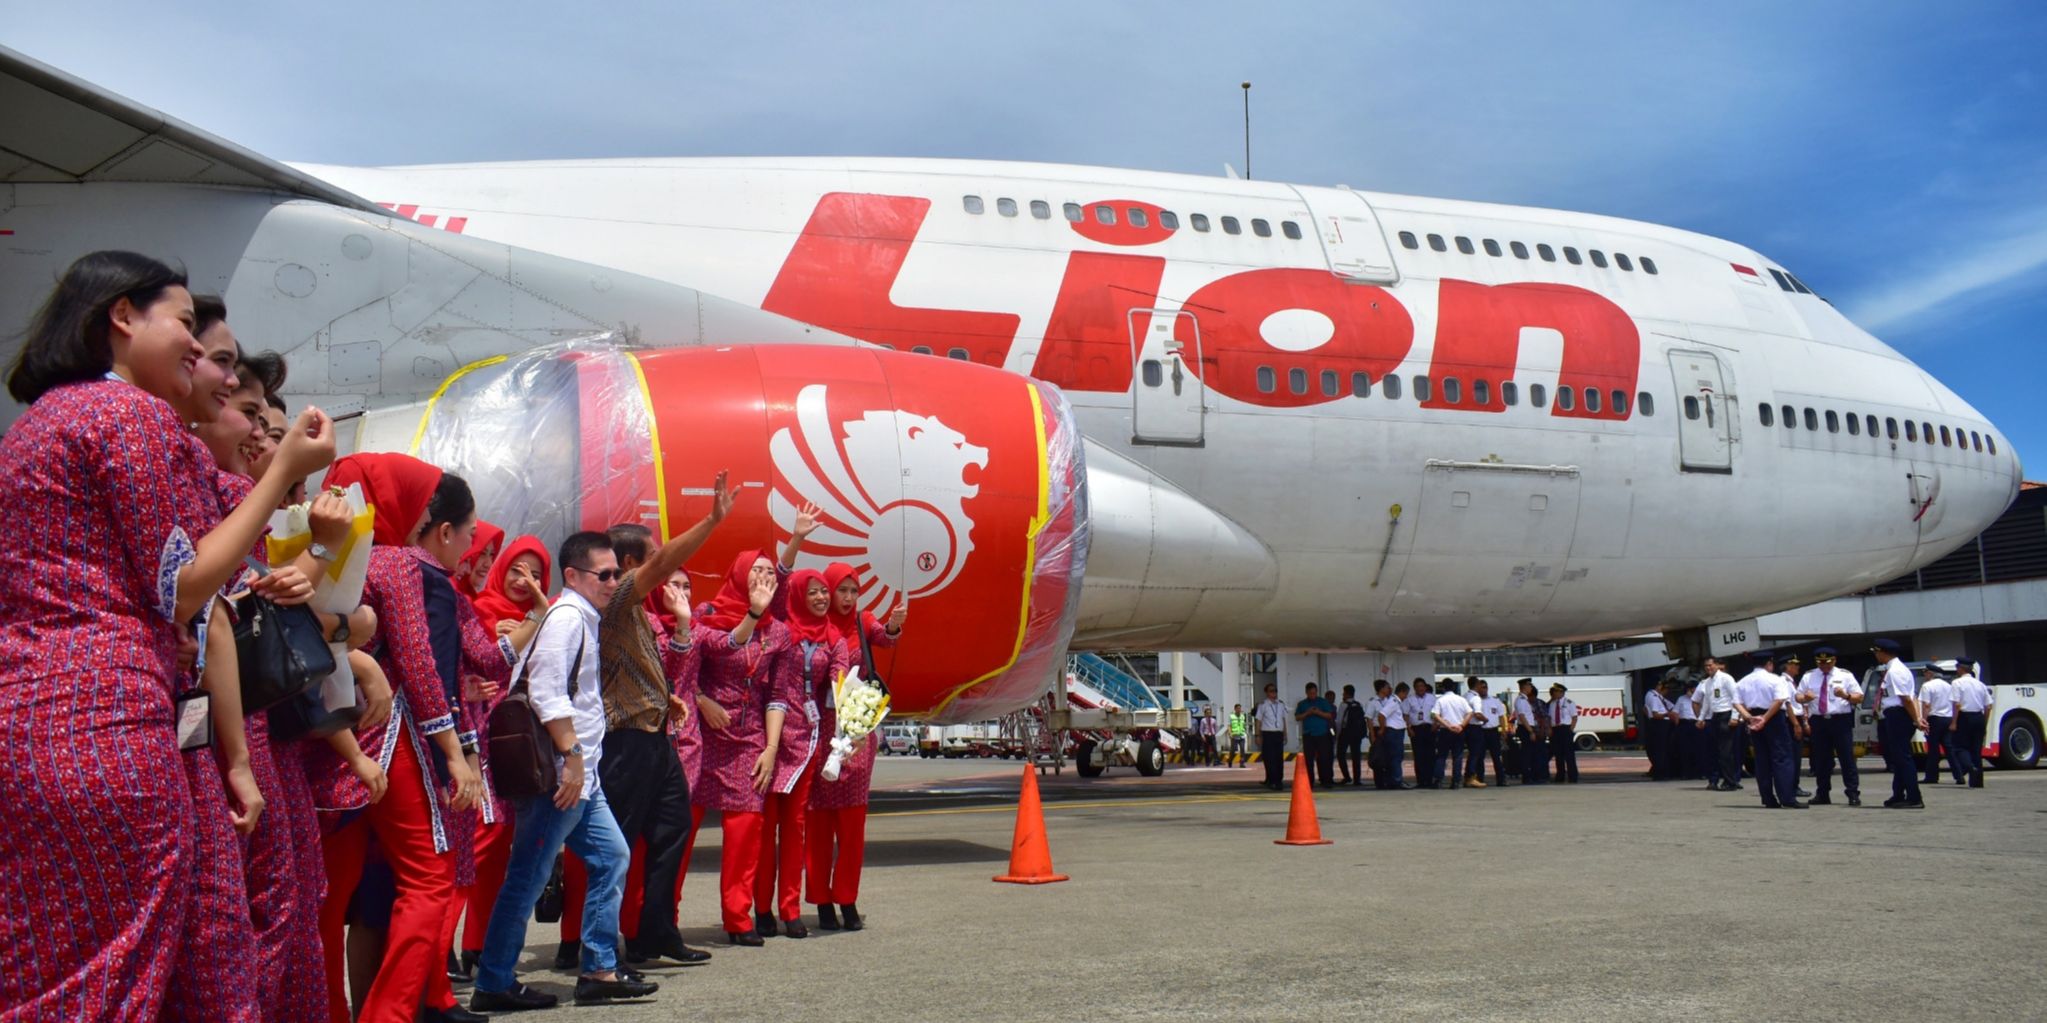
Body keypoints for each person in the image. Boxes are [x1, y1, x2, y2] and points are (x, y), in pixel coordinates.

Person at [0, 251, 335, 1019]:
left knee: (51, 966)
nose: (201, 354)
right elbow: (183, 588)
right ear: (122, 316)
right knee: (113, 974)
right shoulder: (125, 413)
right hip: (106, 720)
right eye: (187, 326)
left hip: (37, 714)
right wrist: (284, 468)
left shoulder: (43, 420)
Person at [312, 454, 489, 1023]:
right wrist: (454, 754)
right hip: (386, 740)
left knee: (326, 900)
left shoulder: (312, 556)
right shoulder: (399, 565)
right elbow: (419, 662)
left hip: (318, 742)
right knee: (430, 881)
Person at [470, 531, 657, 1011]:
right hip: (559, 778)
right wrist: (572, 758)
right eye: (606, 574)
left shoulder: (583, 617)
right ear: (573, 576)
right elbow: (546, 693)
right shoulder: (568, 618)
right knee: (527, 878)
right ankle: (493, 982)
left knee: (612, 857)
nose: (615, 581)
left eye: (619, 573)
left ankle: (598, 968)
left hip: (581, 777)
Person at [588, 501, 732, 964]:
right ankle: (606, 950)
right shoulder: (618, 598)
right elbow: (668, 559)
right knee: (620, 845)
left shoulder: (640, 614)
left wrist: (664, 697)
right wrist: (711, 522)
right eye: (651, 557)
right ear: (632, 564)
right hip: (626, 742)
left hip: (656, 735)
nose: (663, 564)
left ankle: (658, 932)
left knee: (673, 830)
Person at [694, 550, 801, 944]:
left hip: (749, 737)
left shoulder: (780, 634)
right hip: (702, 735)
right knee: (677, 832)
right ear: (738, 574)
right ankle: (661, 921)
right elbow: (687, 669)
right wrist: (703, 701)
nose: (762, 576)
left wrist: (771, 748)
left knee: (744, 834)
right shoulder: (707, 613)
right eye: (755, 569)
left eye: (769, 572)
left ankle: (738, 920)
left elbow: (777, 695)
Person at [808, 560, 905, 932]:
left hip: (859, 729)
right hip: (821, 730)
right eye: (841, 591)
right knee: (818, 822)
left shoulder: (863, 623)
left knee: (852, 824)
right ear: (828, 591)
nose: (847, 598)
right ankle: (821, 902)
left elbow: (886, 637)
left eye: (853, 591)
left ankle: (847, 898)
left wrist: (894, 623)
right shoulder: (815, 626)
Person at [1735, 652, 1803, 810]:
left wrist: (1749, 718)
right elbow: (1779, 701)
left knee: (1762, 759)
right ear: (1769, 663)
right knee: (1782, 758)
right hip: (1773, 719)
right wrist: (1765, 718)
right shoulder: (1776, 679)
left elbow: (1736, 702)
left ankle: (1768, 798)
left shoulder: (1743, 681)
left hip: (1754, 718)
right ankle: (1787, 797)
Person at [1796, 647, 1862, 806]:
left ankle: (1853, 793)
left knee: (1846, 758)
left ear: (1834, 660)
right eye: (1820, 662)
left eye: (1827, 662)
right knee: (1821, 760)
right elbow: (1797, 696)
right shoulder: (1809, 676)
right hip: (1819, 721)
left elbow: (1859, 697)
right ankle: (1823, 793)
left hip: (1840, 720)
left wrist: (1845, 695)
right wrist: (1805, 697)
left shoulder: (1845, 675)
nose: (1824, 665)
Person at [1872, 639, 1926, 809]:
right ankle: (1898, 794)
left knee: (1903, 757)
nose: (1876, 655)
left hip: (1898, 714)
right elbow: (1912, 696)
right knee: (1899, 756)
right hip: (1897, 714)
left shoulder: (1895, 671)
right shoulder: (1895, 669)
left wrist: (1917, 719)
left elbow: (1906, 699)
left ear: (1883, 652)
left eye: (1877, 652)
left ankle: (1914, 797)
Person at [1698, 657, 1743, 791]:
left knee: (1726, 751)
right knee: (1715, 750)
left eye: (1711, 665)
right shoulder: (1707, 682)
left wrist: (1735, 716)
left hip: (1726, 713)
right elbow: (1707, 701)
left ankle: (1730, 781)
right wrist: (1701, 718)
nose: (1708, 668)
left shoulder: (1726, 678)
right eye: (1706, 666)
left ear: (1717, 665)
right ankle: (1719, 780)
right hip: (1715, 716)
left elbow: (1736, 697)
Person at [1950, 659, 1991, 788]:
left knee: (1959, 747)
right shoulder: (1980, 684)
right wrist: (1984, 722)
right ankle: (1978, 781)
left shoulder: (1957, 683)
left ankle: (1970, 767)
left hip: (1964, 717)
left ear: (1961, 668)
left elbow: (1956, 704)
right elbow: (1988, 706)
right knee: (1976, 750)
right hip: (1978, 717)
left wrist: (1954, 722)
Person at [1295, 683, 1336, 788]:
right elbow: (1298, 717)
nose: (1312, 695)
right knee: (1308, 759)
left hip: (1322, 734)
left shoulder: (1323, 702)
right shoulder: (1302, 704)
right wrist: (1307, 713)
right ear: (1306, 693)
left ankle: (1325, 780)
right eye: (1310, 693)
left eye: (1314, 693)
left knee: (1324, 758)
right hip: (1308, 734)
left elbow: (1329, 715)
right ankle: (1309, 781)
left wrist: (1318, 712)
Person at [1919, 666, 1956, 786]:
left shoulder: (1927, 686)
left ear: (1930, 673)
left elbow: (1926, 705)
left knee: (1933, 749)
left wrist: (1923, 721)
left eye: (1925, 673)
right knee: (1949, 748)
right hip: (1948, 718)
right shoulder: (1948, 686)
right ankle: (1959, 775)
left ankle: (1932, 776)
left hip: (1934, 719)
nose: (1924, 675)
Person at [1432, 682, 1472, 788]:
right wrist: (1462, 725)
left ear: (1443, 688)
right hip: (1459, 729)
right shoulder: (1461, 700)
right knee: (1458, 756)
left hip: (1445, 730)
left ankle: (1438, 780)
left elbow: (1435, 715)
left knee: (1441, 755)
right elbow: (1470, 713)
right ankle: (1456, 781)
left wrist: (1447, 725)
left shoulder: (1440, 700)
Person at [1466, 679, 1505, 788]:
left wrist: (1504, 730)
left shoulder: (1495, 700)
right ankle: (1480, 778)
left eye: (1485, 687)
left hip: (1493, 731)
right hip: (1480, 730)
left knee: (1497, 756)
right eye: (1481, 687)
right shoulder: (1475, 699)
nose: (1483, 689)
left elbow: (1501, 716)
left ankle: (1501, 779)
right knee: (1479, 757)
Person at [1372, 681, 1410, 790]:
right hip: (1393, 732)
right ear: (1402, 692)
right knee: (1396, 758)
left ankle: (1392, 780)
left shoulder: (1395, 701)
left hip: (1396, 732)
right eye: (1406, 694)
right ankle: (1397, 780)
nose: (1406, 697)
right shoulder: (1393, 701)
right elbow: (1382, 715)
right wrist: (1383, 728)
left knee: (1393, 758)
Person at [1254, 683, 1289, 791]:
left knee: (1279, 758)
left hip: (1278, 734)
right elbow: (1258, 721)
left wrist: (1285, 733)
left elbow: (1283, 719)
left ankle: (1278, 780)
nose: (1274, 693)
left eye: (1275, 691)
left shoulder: (1281, 704)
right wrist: (1257, 735)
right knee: (1269, 758)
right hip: (1268, 734)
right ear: (1267, 692)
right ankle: (1272, 780)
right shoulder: (1263, 705)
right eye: (1271, 691)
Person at [1512, 679, 1545, 785]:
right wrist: (1530, 731)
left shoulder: (1524, 699)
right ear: (1524, 687)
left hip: (1528, 728)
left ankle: (1531, 776)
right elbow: (1522, 716)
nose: (1531, 688)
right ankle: (1527, 777)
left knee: (1531, 753)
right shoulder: (1521, 700)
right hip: (1525, 728)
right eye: (1529, 686)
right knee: (1527, 754)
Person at [1336, 685, 1368, 786]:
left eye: (1343, 692)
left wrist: (1337, 734)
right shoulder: (1359, 704)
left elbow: (1339, 721)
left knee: (1340, 754)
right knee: (1356, 756)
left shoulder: (1343, 705)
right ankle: (1357, 779)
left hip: (1346, 732)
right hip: (1357, 734)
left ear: (1346, 693)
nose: (1342, 694)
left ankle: (1347, 777)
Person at [1409, 679, 1438, 789]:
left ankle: (1429, 780)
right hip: (1416, 729)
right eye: (1418, 686)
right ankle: (1421, 781)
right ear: (1414, 688)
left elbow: (1437, 712)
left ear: (1425, 687)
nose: (1420, 688)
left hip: (1429, 728)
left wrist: (1436, 723)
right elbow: (1405, 714)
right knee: (1418, 755)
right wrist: (1409, 728)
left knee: (1430, 755)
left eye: (1422, 686)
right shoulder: (1410, 699)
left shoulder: (1432, 698)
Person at [1549, 684, 1579, 783]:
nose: (1554, 693)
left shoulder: (1569, 703)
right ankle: (1560, 776)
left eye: (1556, 691)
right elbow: (1549, 718)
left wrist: (1570, 729)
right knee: (1558, 755)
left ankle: (1573, 776)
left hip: (1565, 728)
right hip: (1555, 729)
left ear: (1561, 692)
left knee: (1569, 755)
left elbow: (1574, 717)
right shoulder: (1552, 704)